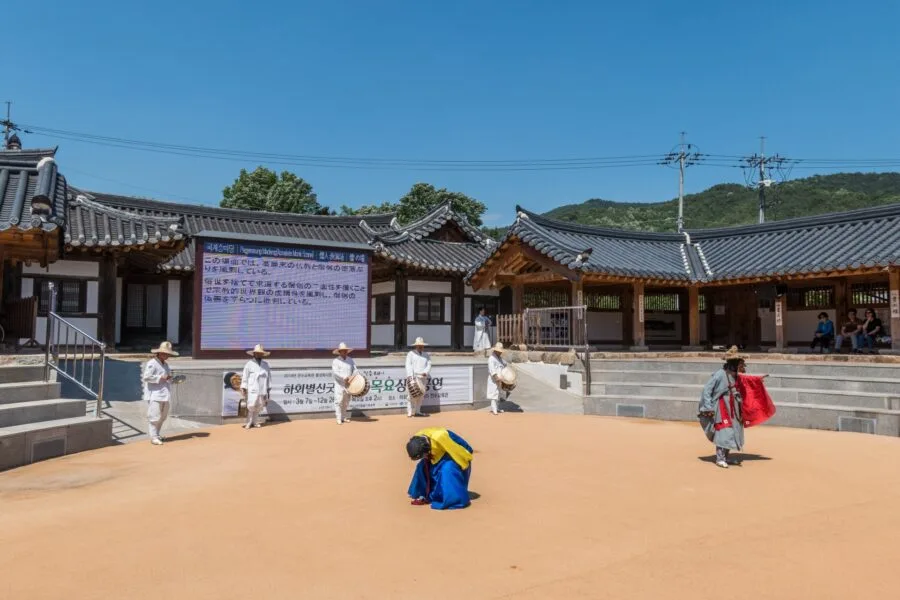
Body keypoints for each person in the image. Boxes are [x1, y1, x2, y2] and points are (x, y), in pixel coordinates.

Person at [698, 346, 745, 469]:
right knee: (723, 431)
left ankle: (726, 456)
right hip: (721, 406)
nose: (740, 366)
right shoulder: (719, 375)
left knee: (733, 430)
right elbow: (707, 390)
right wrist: (708, 407)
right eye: (737, 363)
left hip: (733, 407)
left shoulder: (735, 375)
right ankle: (720, 458)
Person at [406, 427, 473, 510]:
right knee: (421, 466)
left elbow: (458, 453)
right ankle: (423, 492)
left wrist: (464, 467)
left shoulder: (440, 437)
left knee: (447, 469)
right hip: (436, 452)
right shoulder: (417, 438)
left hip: (454, 451)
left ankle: (454, 499)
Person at [142, 341, 177, 446]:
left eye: (167, 354)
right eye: (164, 353)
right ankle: (153, 437)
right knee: (154, 416)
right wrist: (160, 377)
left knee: (163, 416)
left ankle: (157, 434)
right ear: (159, 353)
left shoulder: (166, 365)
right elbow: (146, 377)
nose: (166, 355)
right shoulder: (152, 363)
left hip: (165, 393)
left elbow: (167, 378)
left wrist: (171, 379)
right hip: (155, 393)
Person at [240, 344, 272, 429]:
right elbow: (245, 377)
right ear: (254, 354)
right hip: (252, 388)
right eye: (257, 353)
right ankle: (249, 422)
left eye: (261, 353)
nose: (259, 354)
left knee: (259, 406)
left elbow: (269, 377)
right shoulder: (249, 364)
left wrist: (268, 388)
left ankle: (255, 422)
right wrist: (244, 387)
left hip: (262, 388)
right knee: (251, 405)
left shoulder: (265, 365)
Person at [331, 342, 357, 425]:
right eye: (342, 350)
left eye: (345, 350)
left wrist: (352, 378)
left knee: (346, 401)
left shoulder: (350, 360)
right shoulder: (336, 361)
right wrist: (343, 378)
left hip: (349, 384)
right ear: (339, 351)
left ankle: (343, 417)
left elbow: (355, 370)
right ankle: (338, 418)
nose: (344, 351)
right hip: (339, 384)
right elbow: (335, 373)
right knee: (338, 401)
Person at [405, 337, 431, 418]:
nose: (420, 347)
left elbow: (429, 364)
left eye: (421, 345)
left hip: (423, 377)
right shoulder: (411, 354)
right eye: (418, 345)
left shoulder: (426, 355)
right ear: (416, 346)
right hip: (413, 377)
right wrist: (410, 376)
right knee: (410, 395)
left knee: (421, 395)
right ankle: (409, 412)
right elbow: (408, 365)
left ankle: (418, 411)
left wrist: (425, 372)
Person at [487, 342, 509, 415]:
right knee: (493, 393)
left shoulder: (499, 358)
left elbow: (504, 364)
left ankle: (497, 408)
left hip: (500, 378)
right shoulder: (491, 358)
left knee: (498, 394)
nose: (500, 353)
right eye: (499, 351)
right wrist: (496, 377)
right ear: (495, 350)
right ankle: (494, 409)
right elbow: (492, 370)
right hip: (494, 379)